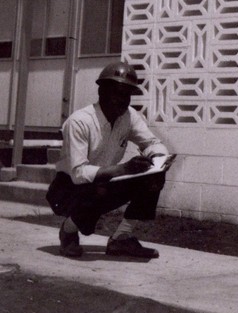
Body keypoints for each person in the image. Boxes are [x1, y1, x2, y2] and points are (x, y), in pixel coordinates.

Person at [46, 61, 171, 260]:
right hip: (67, 189)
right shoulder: (80, 121)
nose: (123, 100)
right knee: (97, 188)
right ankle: (68, 232)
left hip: (105, 182)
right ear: (102, 91)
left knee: (154, 177)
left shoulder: (128, 116)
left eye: (128, 94)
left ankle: (122, 238)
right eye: (118, 92)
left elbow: (151, 142)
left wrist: (157, 158)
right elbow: (79, 174)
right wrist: (124, 169)